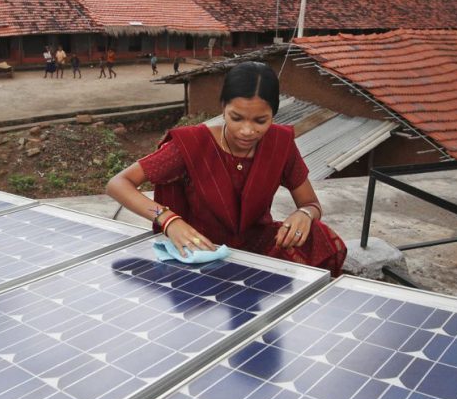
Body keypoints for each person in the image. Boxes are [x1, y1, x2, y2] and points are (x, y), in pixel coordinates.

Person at [107, 61, 346, 275]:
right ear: (223, 108)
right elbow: (118, 184)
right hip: (201, 246)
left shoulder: (279, 144)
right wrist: (169, 221)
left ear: (274, 113)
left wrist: (304, 215)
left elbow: (311, 204)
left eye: (260, 121)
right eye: (237, 118)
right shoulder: (191, 145)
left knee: (319, 235)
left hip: (256, 243)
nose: (247, 131)